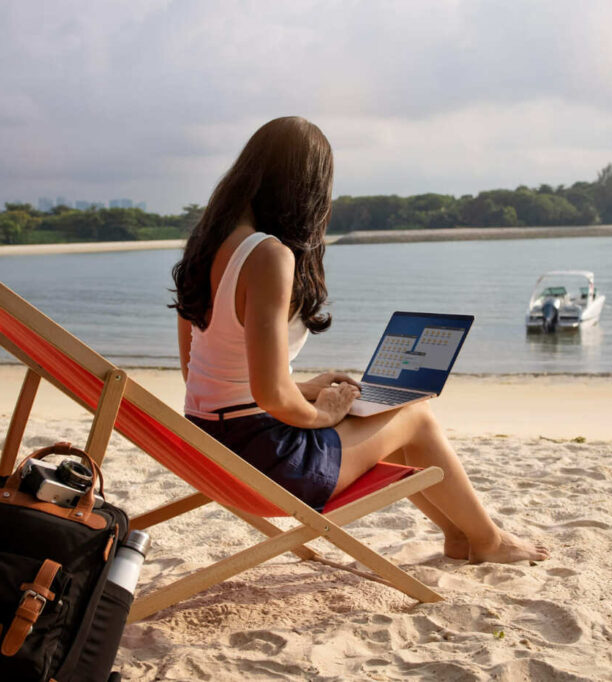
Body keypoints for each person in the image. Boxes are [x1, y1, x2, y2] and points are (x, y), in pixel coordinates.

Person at [171, 116, 548, 564]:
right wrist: (318, 414)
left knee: (389, 412)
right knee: (416, 415)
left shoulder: (206, 246)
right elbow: (268, 393)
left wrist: (309, 389)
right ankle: (489, 540)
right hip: (268, 463)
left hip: (212, 449)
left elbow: (202, 372)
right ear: (305, 187)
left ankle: (460, 534)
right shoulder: (268, 254)